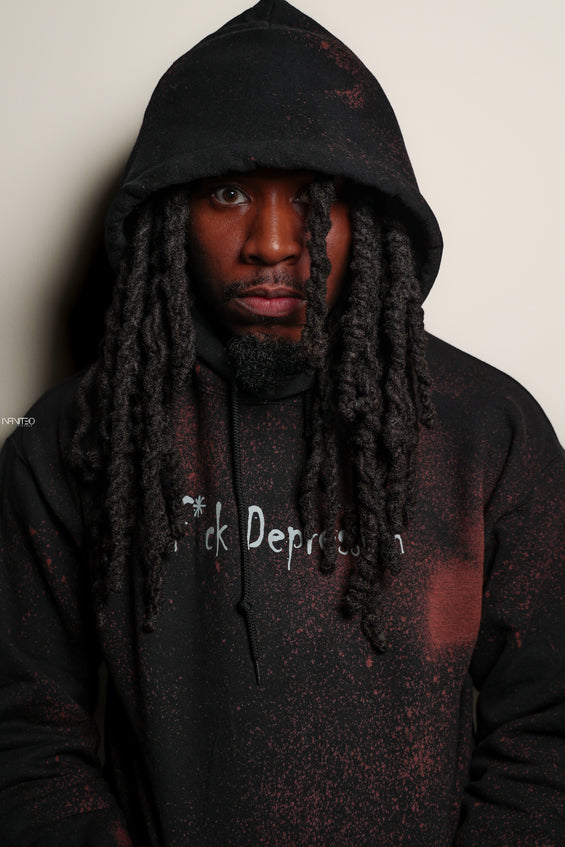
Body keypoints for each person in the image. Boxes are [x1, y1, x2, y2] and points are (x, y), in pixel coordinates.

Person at [0, 0, 563, 844]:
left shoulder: (488, 429)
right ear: (168, 211)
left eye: (313, 197)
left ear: (371, 216)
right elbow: (27, 731)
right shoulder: (74, 436)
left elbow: (546, 731)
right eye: (227, 192)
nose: (270, 241)